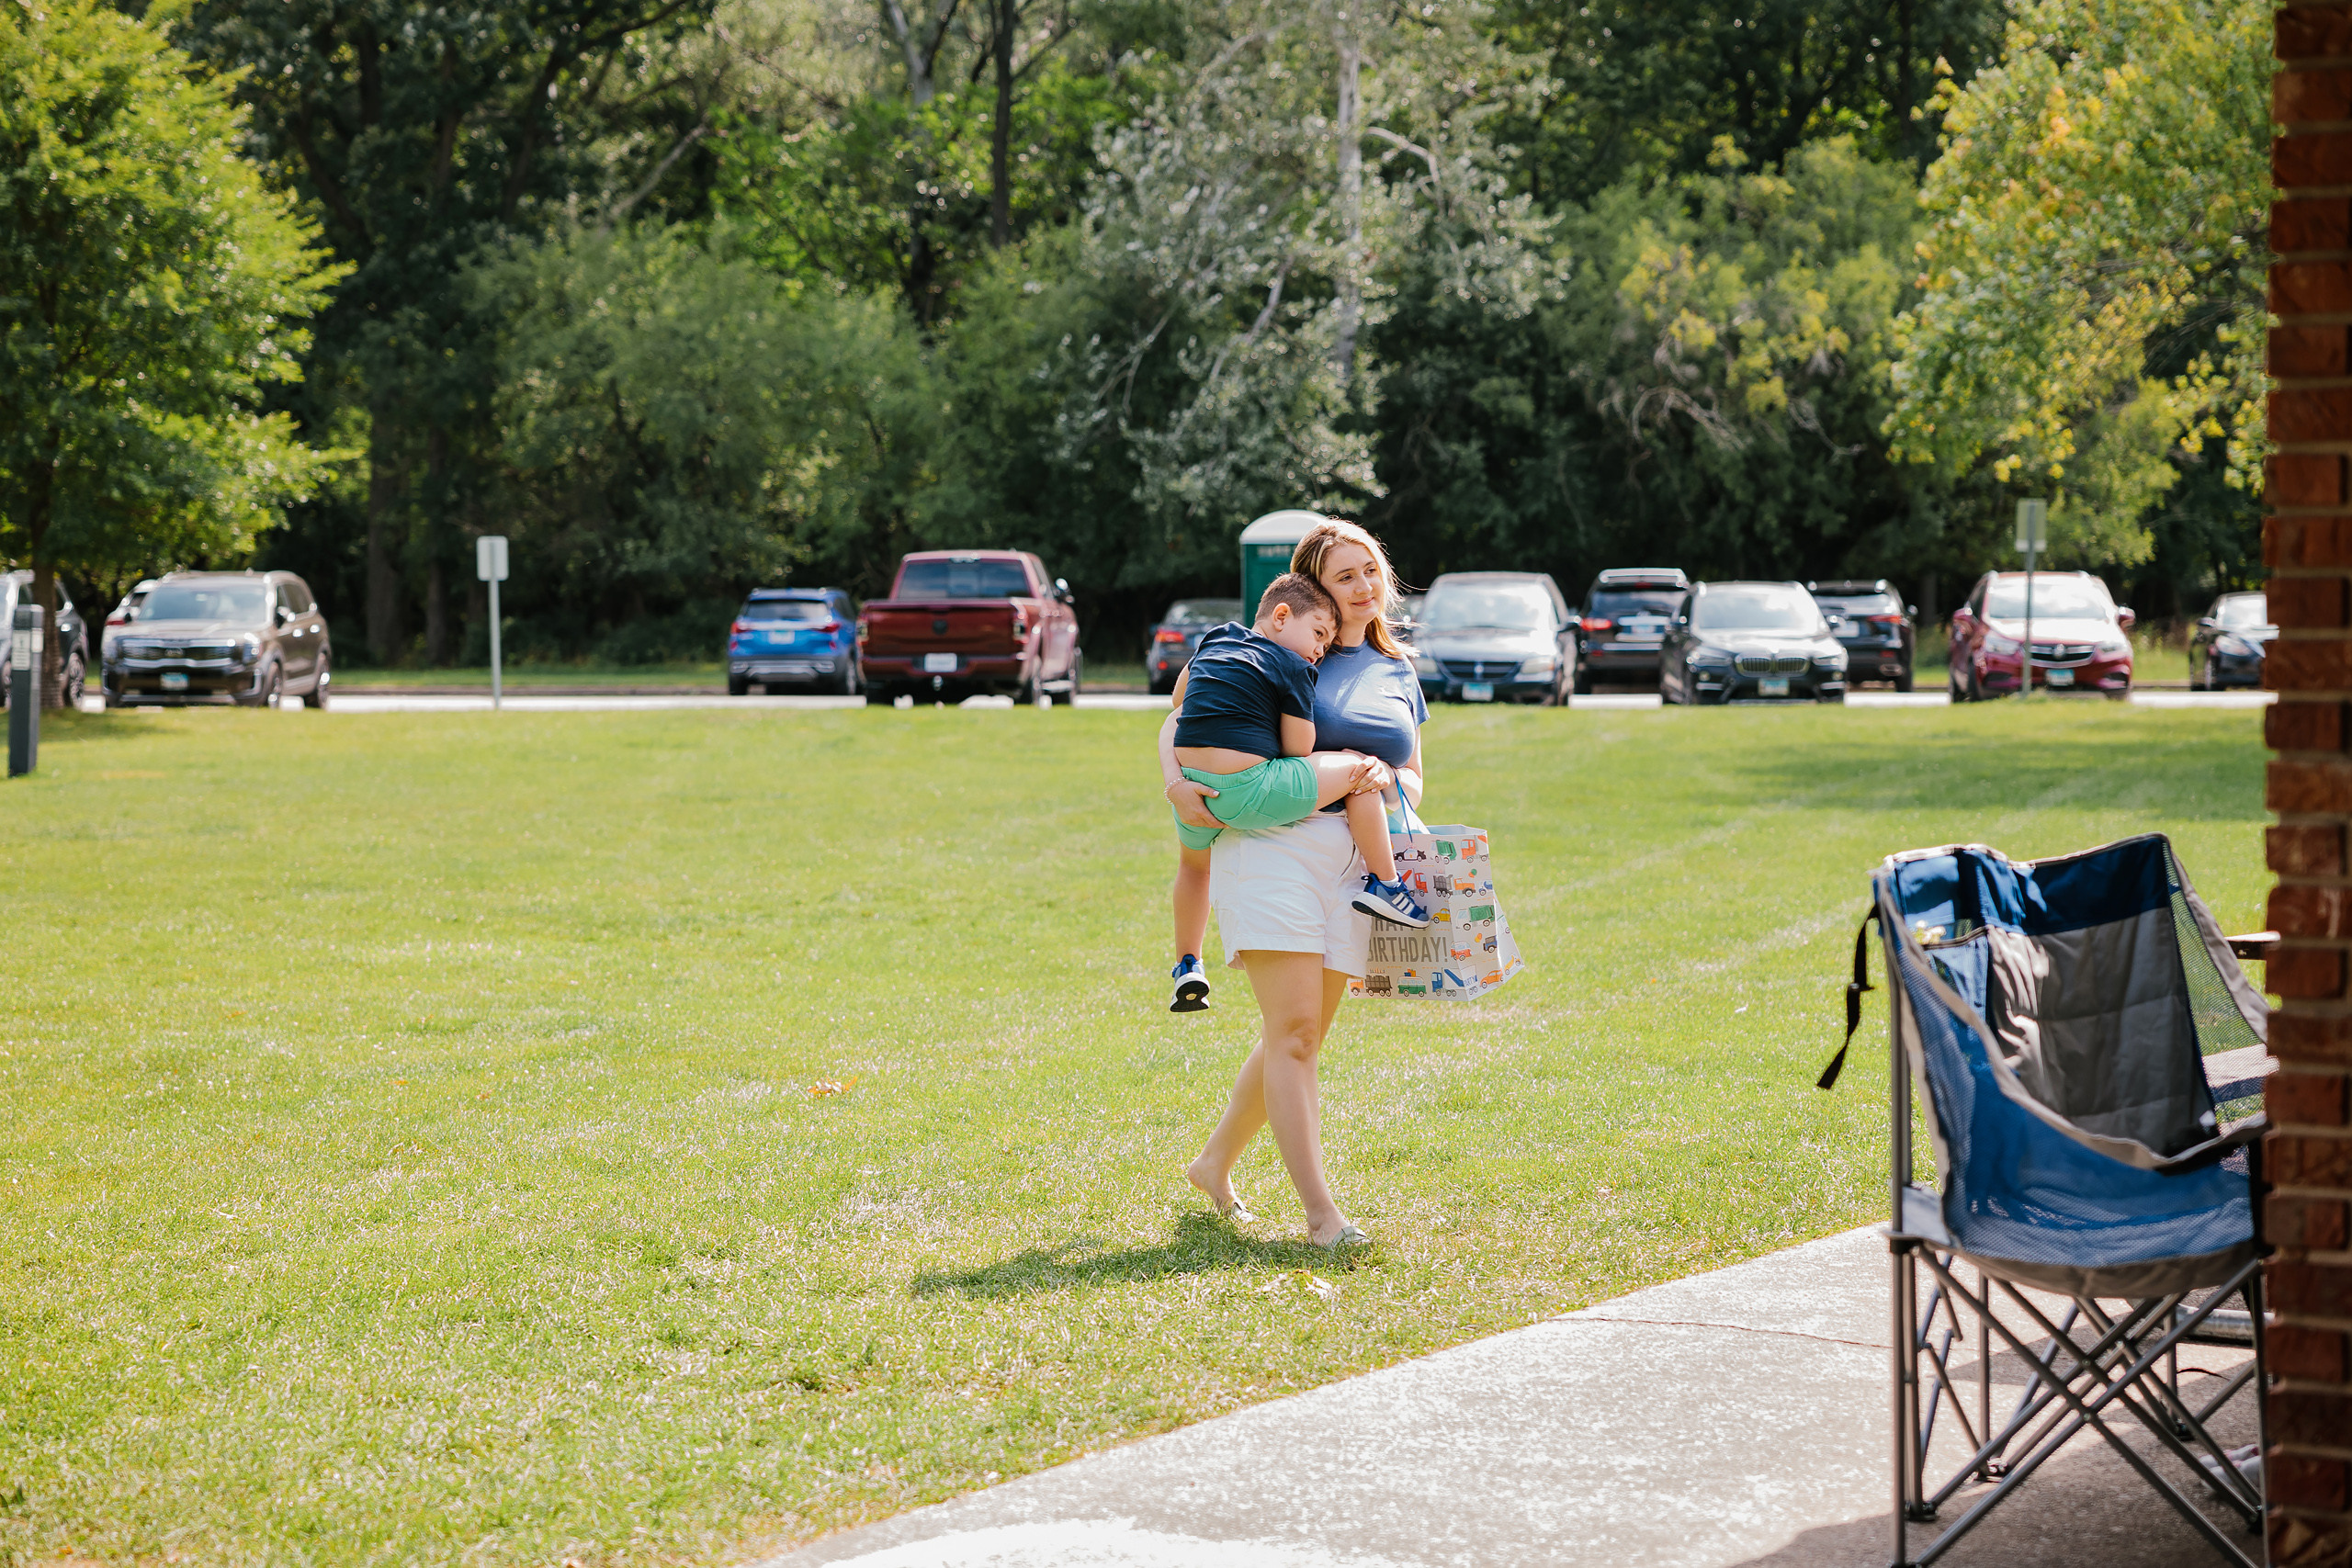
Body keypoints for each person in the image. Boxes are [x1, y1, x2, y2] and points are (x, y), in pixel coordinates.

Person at [1159, 518, 1427, 1249]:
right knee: (1297, 1033)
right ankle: (1322, 1217)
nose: (1365, 587)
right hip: (1274, 849)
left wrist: (1388, 779)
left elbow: (1412, 770)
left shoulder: (1398, 669)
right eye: (1345, 577)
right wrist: (1176, 782)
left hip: (1357, 863)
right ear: (1314, 589)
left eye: (1371, 569)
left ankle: (1213, 1163)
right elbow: (1183, 717)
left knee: (1302, 1032)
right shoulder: (1276, 649)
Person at [1164, 573, 1429, 1012]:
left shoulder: (1216, 638)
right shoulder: (1292, 666)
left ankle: (1188, 961)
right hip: (1250, 790)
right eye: (1318, 635)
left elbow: (1179, 702)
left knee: (1193, 868)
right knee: (1357, 771)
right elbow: (1299, 748)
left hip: (1195, 790)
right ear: (1282, 617)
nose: (1320, 649)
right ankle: (1386, 884)